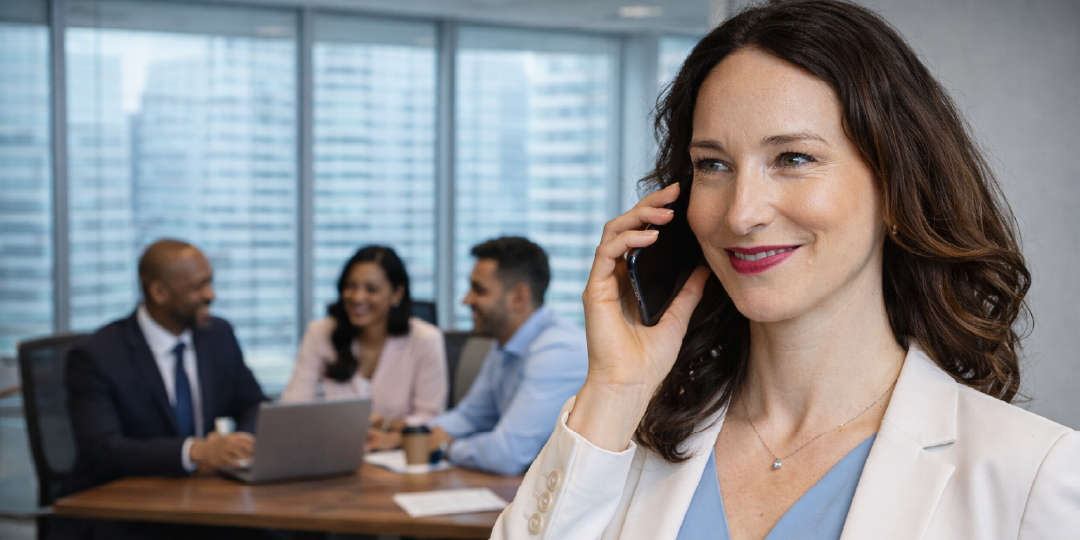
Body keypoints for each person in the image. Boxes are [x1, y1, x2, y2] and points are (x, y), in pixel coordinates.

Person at [493, 1, 1080, 539]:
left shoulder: (1034, 473)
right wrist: (613, 391)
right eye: (714, 164)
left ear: (896, 185)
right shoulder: (624, 438)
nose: (742, 214)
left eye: (793, 158)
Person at [62, 239, 268, 539]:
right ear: (159, 292)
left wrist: (244, 444)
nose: (211, 295)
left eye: (210, 283)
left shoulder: (217, 334)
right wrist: (196, 452)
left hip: (206, 499)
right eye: (199, 286)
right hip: (127, 509)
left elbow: (252, 402)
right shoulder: (97, 355)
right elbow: (101, 450)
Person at [369, 237, 589, 475]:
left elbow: (508, 454)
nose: (466, 299)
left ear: (518, 297)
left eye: (479, 290)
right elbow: (470, 416)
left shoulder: (558, 351)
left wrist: (445, 446)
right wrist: (409, 437)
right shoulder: (505, 343)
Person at [281, 245, 447, 429]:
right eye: (351, 286)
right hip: (337, 449)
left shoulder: (425, 339)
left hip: (398, 452)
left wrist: (388, 426)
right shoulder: (320, 333)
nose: (358, 297)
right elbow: (293, 408)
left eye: (371, 289)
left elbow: (431, 418)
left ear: (397, 294)